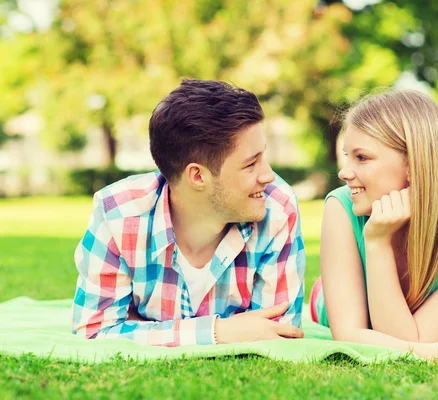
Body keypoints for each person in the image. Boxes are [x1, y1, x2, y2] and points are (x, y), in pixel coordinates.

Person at [72, 79, 305, 347]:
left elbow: (278, 331)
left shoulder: (276, 207)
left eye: (263, 157)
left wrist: (142, 329)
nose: (269, 175)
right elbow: (94, 332)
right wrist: (219, 332)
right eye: (251, 164)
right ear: (197, 176)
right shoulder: (118, 215)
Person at [310, 89, 438, 364]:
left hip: (396, 320)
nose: (344, 172)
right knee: (328, 294)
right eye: (347, 155)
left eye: (362, 157)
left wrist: (378, 242)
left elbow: (406, 340)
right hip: (327, 301)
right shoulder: (341, 206)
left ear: (412, 164)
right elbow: (349, 333)